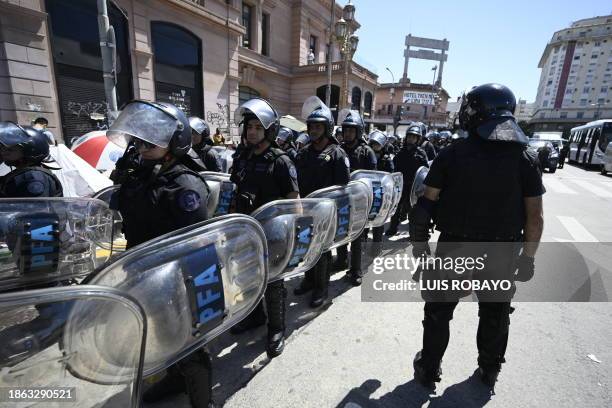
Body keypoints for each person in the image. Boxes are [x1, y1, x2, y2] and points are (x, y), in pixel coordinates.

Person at [408, 83, 545, 390]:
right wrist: (528, 259)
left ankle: (429, 368)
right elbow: (535, 218)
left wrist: (420, 252)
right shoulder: (526, 158)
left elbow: (424, 208)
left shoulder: (452, 154)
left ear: (476, 113)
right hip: (502, 252)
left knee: (438, 312)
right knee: (495, 313)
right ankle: (490, 369)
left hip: (455, 246)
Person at [106, 100, 214, 408]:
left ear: (174, 142)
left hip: (176, 277)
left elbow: (196, 243)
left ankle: (202, 400)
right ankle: (174, 377)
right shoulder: (143, 173)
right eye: (141, 136)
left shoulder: (184, 184)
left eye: (152, 138)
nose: (142, 143)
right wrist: (123, 178)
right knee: (163, 333)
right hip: (141, 270)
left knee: (189, 341)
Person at [228, 98, 300, 358]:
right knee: (247, 277)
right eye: (249, 127)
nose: (252, 132)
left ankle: (277, 328)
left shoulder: (281, 161)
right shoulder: (242, 157)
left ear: (269, 130)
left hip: (273, 233)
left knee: (273, 282)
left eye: (258, 127)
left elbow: (295, 204)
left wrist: (290, 234)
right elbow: (232, 191)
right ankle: (254, 316)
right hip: (245, 229)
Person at [294, 97, 350, 307]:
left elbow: (343, 186)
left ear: (327, 128)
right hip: (306, 209)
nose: (314, 130)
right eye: (311, 126)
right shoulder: (304, 153)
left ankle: (322, 288)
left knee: (323, 250)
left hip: (327, 211)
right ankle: (309, 281)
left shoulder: (337, 154)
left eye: (318, 126)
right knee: (308, 246)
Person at [334, 110, 377, 285]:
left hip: (360, 202)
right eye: (346, 130)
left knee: (357, 237)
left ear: (358, 131)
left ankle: (356, 269)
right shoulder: (338, 150)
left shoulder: (367, 152)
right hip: (342, 200)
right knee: (340, 233)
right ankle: (341, 260)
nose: (348, 133)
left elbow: (373, 179)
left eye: (352, 130)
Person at [385, 125, 429, 237]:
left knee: (412, 211)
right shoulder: (400, 152)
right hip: (400, 185)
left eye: (414, 137)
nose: (411, 139)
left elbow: (425, 172)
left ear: (418, 139)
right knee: (396, 208)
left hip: (414, 187)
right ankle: (393, 228)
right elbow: (394, 169)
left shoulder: (421, 154)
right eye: (410, 137)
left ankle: (412, 232)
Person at [0, 122, 62, 198]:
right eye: (3, 148)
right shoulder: (23, 173)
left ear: (28, 152)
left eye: (10, 150)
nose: (3, 152)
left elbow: (36, 208)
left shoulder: (33, 177)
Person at [368, 130, 394, 244]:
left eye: (378, 144)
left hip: (381, 193)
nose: (375, 146)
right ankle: (363, 240)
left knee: (379, 219)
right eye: (373, 144)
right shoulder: (367, 155)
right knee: (366, 218)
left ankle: (376, 244)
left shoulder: (387, 159)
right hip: (368, 191)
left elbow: (391, 176)